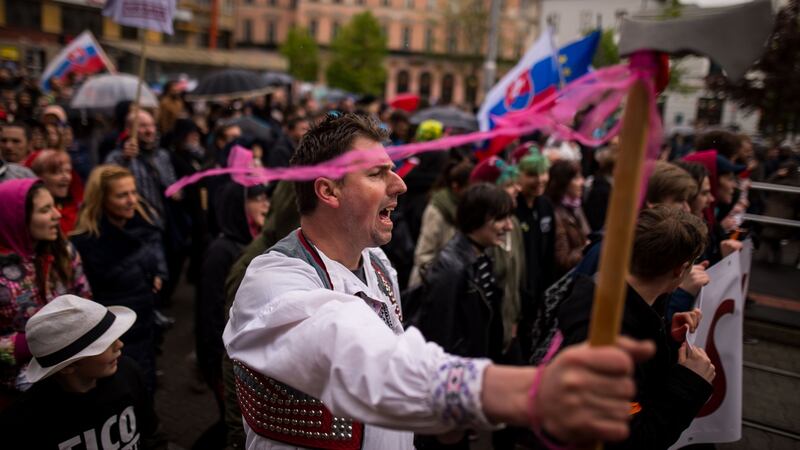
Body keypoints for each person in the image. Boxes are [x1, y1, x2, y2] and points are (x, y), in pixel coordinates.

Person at [224, 113, 655, 450]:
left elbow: (401, 351)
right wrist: (527, 392)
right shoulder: (272, 282)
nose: (401, 183)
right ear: (329, 192)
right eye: (377, 174)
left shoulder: (376, 262)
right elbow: (361, 359)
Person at [557, 206, 715, 450]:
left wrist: (667, 342)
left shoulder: (623, 301)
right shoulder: (613, 340)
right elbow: (631, 440)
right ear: (679, 269)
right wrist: (689, 383)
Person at [0, 295, 167, 449]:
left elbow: (152, 434)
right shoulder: (25, 422)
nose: (119, 344)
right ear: (68, 366)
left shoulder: (128, 373)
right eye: (105, 343)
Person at [71, 165, 167, 394]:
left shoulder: (143, 226)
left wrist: (157, 275)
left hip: (145, 325)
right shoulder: (87, 244)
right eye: (122, 195)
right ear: (101, 198)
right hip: (115, 337)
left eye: (134, 192)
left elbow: (156, 258)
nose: (132, 200)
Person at [0, 179, 92, 408]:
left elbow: (86, 299)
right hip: (16, 393)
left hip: (70, 375)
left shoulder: (63, 251)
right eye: (44, 209)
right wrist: (29, 344)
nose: (57, 215)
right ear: (16, 219)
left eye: (54, 205)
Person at [196, 181, 268, 418]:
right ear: (238, 206)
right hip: (228, 358)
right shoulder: (221, 252)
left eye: (266, 198)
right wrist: (217, 363)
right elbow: (210, 312)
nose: (266, 204)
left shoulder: (257, 242)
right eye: (257, 199)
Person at [511, 144, 556, 357]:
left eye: (543, 173)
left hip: (540, 293)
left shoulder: (546, 206)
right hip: (516, 296)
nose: (539, 180)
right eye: (531, 174)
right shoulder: (510, 209)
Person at [408, 159, 473, 288]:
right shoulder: (437, 209)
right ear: (456, 186)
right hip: (434, 285)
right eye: (470, 186)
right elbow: (424, 255)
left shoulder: (466, 206)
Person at [105, 109, 177, 219]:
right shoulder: (116, 157)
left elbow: (171, 182)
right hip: (135, 223)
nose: (150, 130)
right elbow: (107, 184)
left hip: (164, 221)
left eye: (152, 125)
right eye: (143, 126)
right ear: (128, 130)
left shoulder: (162, 155)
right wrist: (124, 159)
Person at [546, 160, 590, 277]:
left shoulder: (576, 206)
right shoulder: (556, 214)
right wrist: (588, 248)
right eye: (576, 178)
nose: (582, 182)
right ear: (563, 183)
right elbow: (563, 260)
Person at [27, 149, 82, 233]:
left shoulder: (78, 209)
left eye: (68, 171)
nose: (66, 177)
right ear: (39, 177)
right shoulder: (31, 213)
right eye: (57, 172)